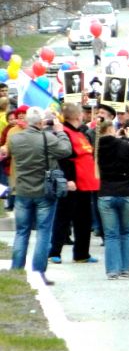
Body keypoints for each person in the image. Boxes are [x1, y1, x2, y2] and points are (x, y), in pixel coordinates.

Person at [4, 107, 72, 285]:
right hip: (44, 191)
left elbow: (9, 154)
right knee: (43, 232)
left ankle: (17, 271)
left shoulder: (15, 138)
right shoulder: (46, 138)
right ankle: (38, 272)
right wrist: (61, 132)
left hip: (22, 190)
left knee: (22, 232)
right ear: (41, 122)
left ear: (26, 121)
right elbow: (65, 151)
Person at [48, 103, 100, 265]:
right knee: (63, 217)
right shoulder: (66, 132)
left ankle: (82, 253)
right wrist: (69, 179)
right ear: (78, 116)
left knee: (84, 219)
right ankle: (54, 252)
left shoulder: (79, 132)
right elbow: (65, 158)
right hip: (73, 182)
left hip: (85, 183)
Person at [96, 119, 129, 279]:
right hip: (127, 191)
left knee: (111, 234)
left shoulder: (97, 147)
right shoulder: (124, 145)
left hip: (106, 190)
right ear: (111, 129)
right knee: (127, 232)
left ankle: (112, 270)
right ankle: (125, 269)